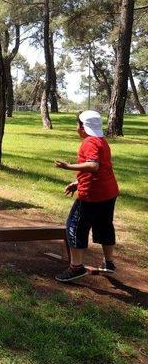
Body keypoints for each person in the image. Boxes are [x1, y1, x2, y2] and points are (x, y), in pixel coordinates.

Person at [54, 110, 119, 282]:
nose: (76, 128)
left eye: (77, 125)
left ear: (83, 127)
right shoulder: (101, 141)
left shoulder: (89, 142)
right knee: (104, 225)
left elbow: (94, 165)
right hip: (108, 192)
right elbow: (102, 167)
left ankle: (76, 268)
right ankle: (109, 263)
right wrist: (77, 183)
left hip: (92, 195)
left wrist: (67, 166)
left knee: (75, 226)